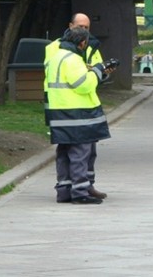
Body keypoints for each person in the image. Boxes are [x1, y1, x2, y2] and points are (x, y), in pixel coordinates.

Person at [44, 13, 113, 201]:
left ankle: (64, 191)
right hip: (77, 112)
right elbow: (83, 84)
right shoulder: (73, 59)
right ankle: (80, 192)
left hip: (58, 109)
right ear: (81, 43)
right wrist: (97, 72)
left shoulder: (58, 55)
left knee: (65, 152)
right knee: (80, 152)